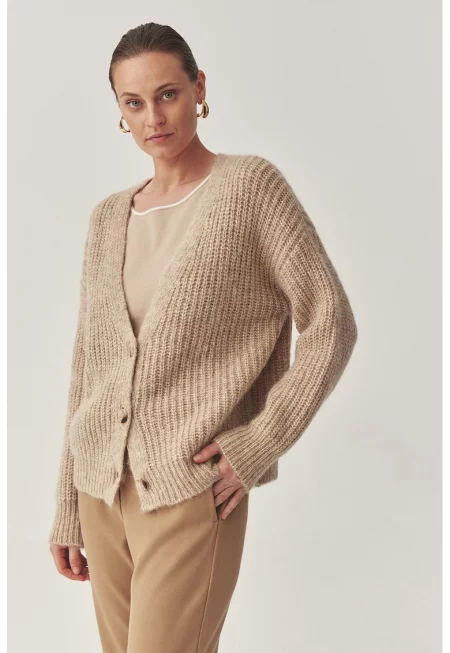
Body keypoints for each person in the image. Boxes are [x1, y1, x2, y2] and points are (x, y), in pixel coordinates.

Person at [48, 21, 358, 653]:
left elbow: (331, 322)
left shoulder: (250, 189)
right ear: (119, 111)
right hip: (99, 492)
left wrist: (260, 442)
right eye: (134, 102)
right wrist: (67, 504)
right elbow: (88, 367)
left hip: (191, 487)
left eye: (168, 93)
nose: (154, 117)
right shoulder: (107, 218)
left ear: (199, 88)